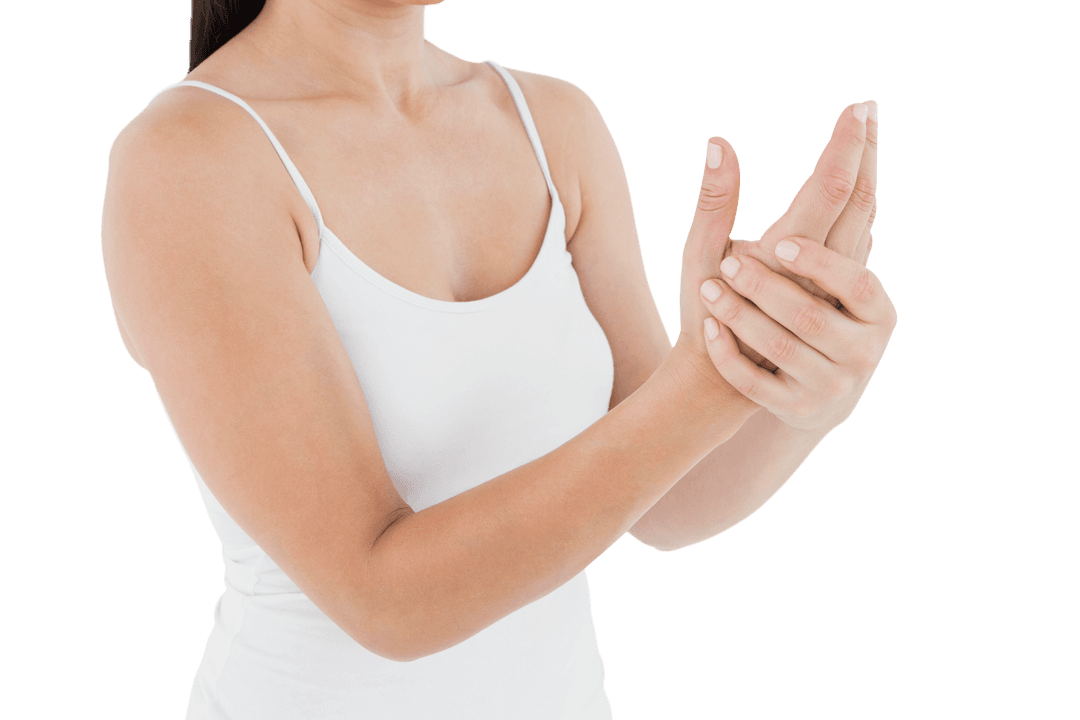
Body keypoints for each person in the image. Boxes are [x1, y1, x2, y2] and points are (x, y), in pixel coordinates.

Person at [99, 1, 897, 718]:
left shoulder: (554, 121)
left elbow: (667, 498)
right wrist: (706, 390)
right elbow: (382, 599)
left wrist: (793, 379)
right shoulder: (186, 160)